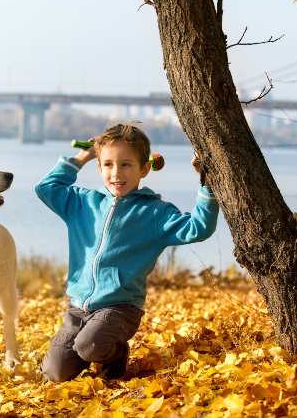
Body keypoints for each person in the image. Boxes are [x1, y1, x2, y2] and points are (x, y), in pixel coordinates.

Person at [34, 123, 219, 382]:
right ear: (99, 167)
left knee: (90, 346)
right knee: (55, 373)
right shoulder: (82, 203)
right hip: (77, 308)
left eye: (126, 165)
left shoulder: (154, 212)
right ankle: (85, 351)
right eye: (108, 164)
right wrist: (81, 157)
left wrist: (207, 185)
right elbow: (46, 188)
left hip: (120, 308)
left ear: (144, 169)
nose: (116, 173)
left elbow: (198, 228)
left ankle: (115, 354)